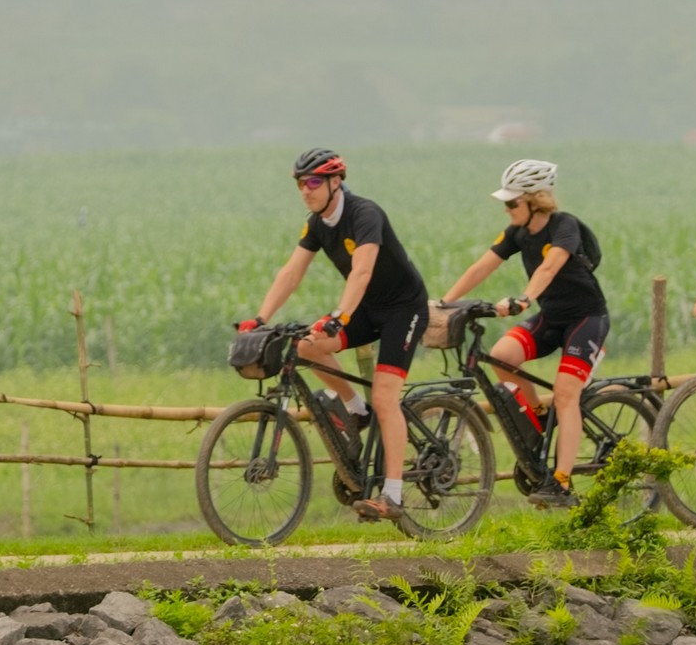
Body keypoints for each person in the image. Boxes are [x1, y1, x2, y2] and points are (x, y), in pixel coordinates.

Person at [244, 149, 430, 523]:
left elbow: (361, 271)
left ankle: (392, 496)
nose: (305, 190)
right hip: (365, 308)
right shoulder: (316, 223)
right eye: (300, 183)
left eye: (313, 181)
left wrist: (339, 316)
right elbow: (292, 272)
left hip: (403, 309)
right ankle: (355, 409)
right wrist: (260, 317)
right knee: (306, 347)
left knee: (385, 396)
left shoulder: (365, 214)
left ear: (335, 182)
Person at [440, 158, 607, 509]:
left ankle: (561, 482)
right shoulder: (518, 232)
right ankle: (542, 419)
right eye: (505, 203)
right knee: (502, 356)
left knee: (565, 394)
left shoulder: (565, 226)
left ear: (536, 200)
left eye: (513, 203)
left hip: (586, 318)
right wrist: (445, 302)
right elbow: (483, 265)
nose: (507, 209)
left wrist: (524, 299)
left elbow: (550, 265)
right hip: (552, 316)